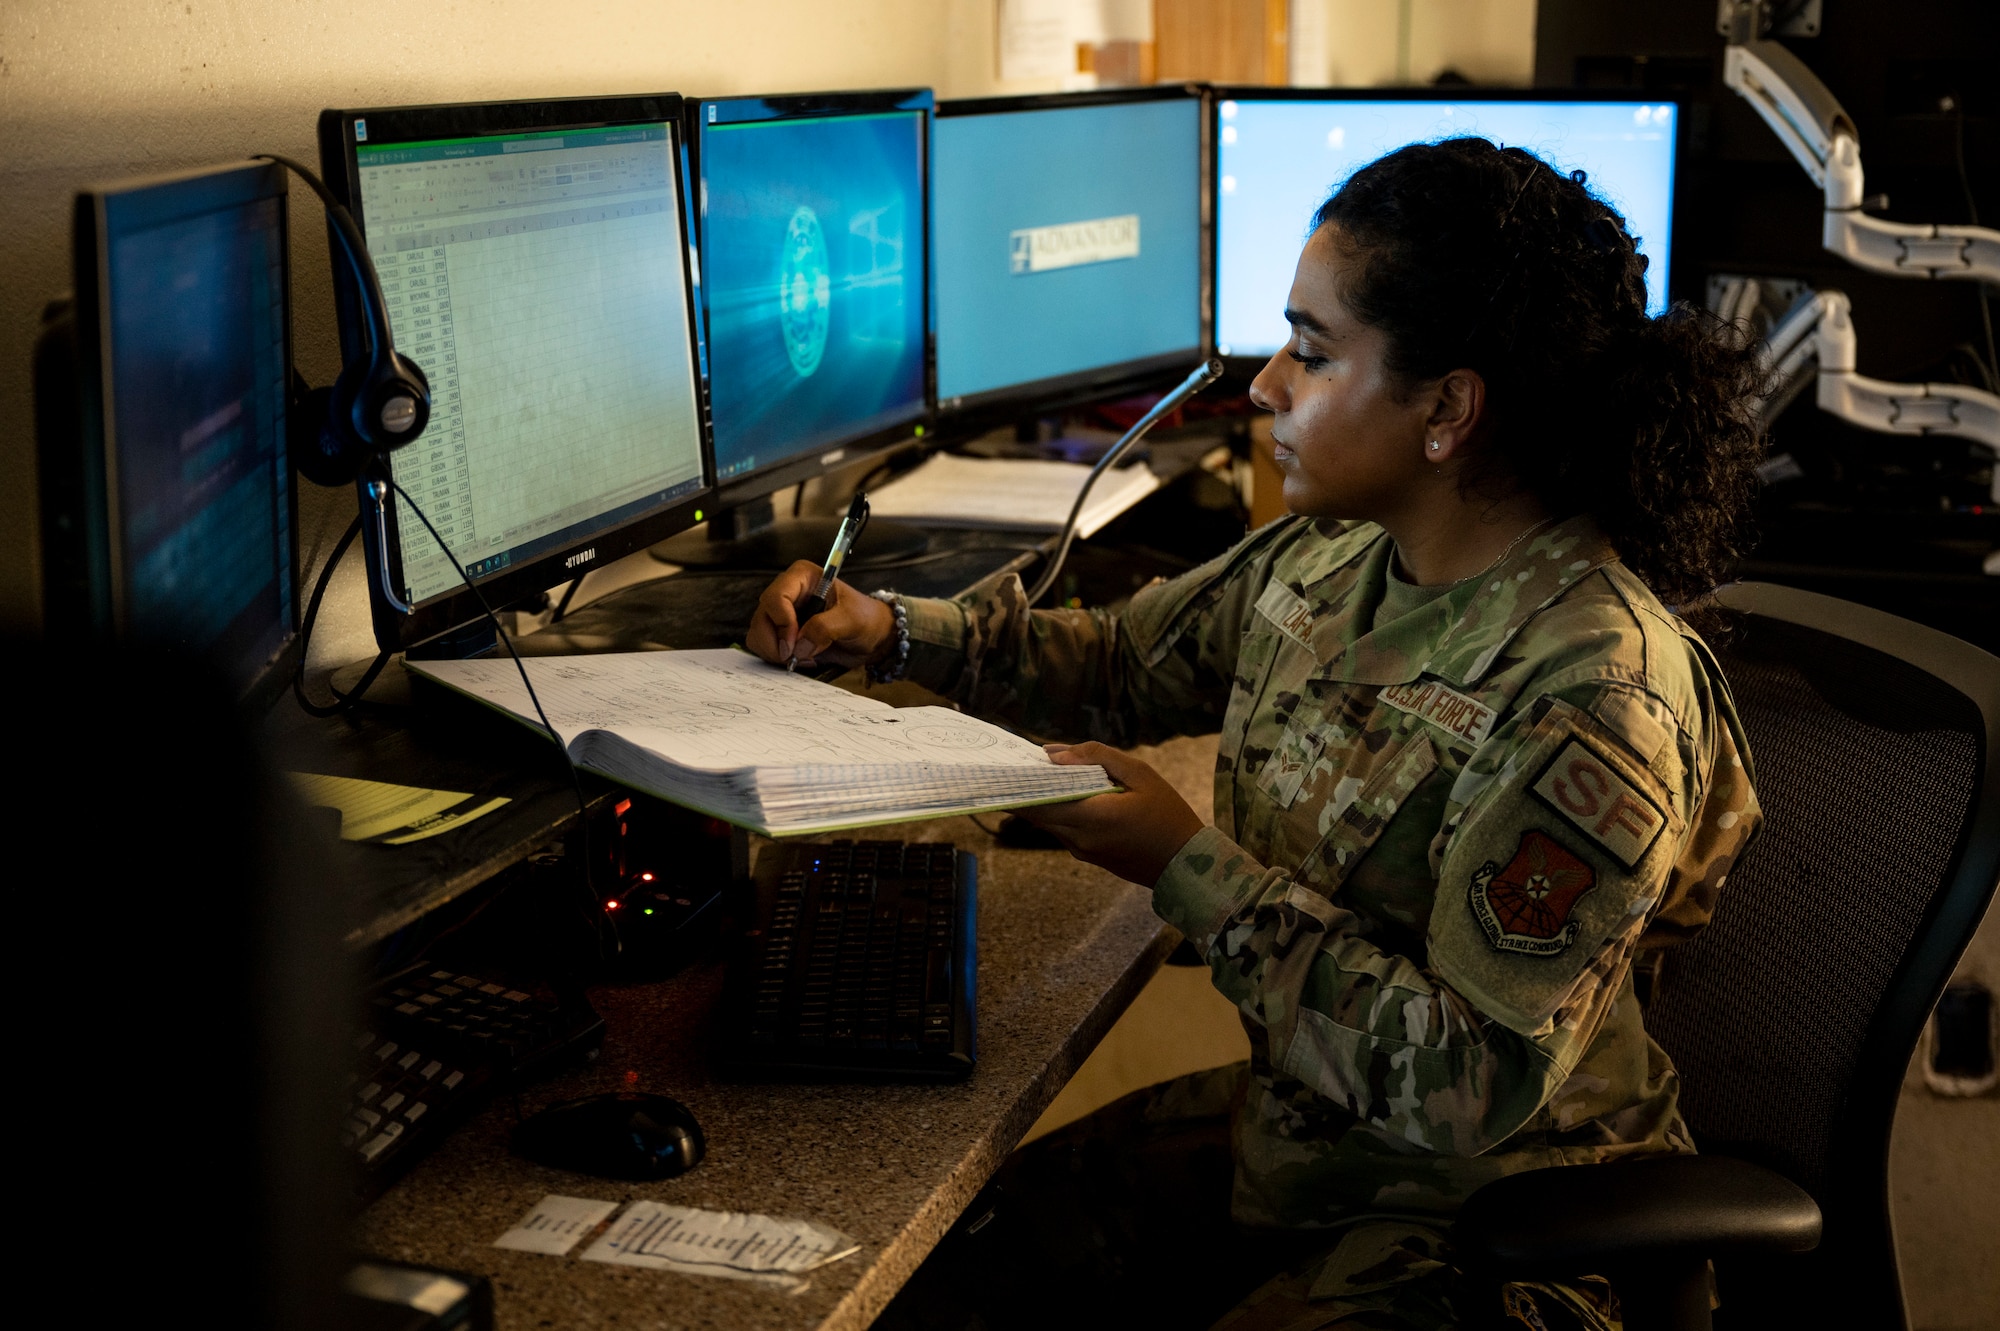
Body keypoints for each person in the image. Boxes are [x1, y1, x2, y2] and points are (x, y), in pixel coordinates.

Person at [749, 137, 1768, 1330]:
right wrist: (887, 631)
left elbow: (1466, 1078)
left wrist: (1183, 864)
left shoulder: (1592, 693)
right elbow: (1123, 663)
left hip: (1495, 1226)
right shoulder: (1337, 557)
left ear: (1447, 408)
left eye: (1313, 350)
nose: (1266, 385)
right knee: (940, 1271)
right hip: (1303, 1144)